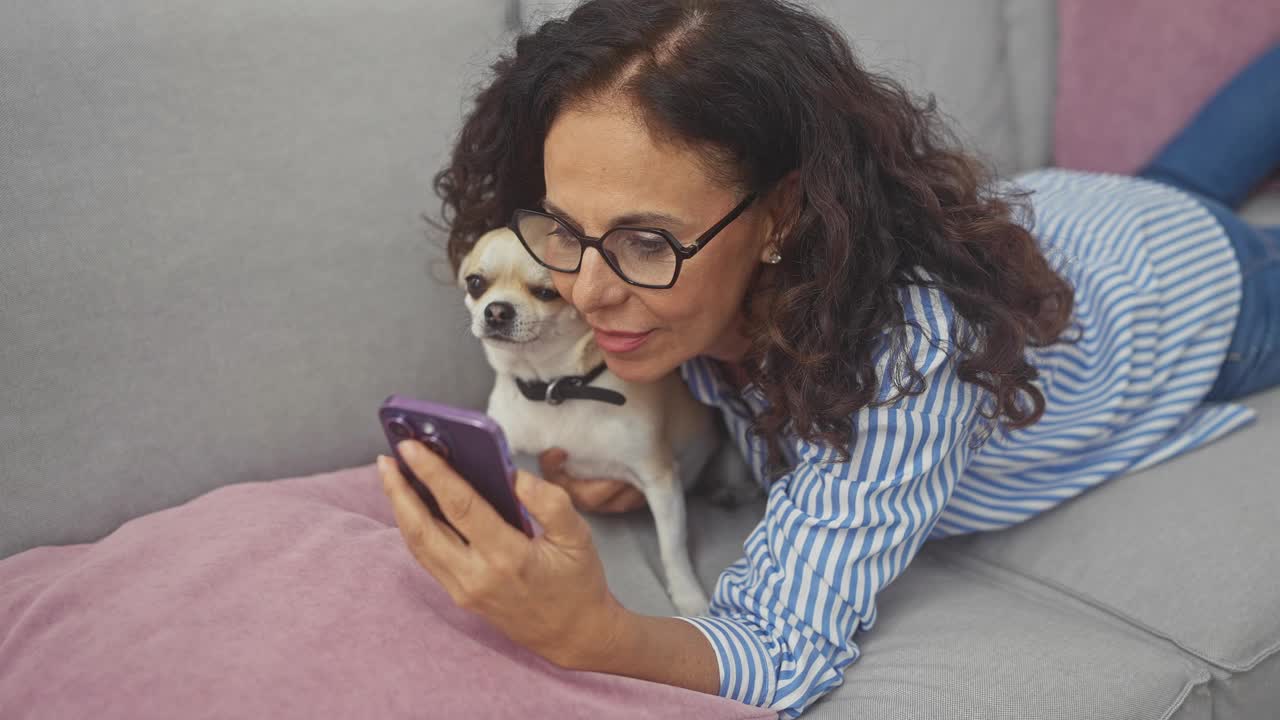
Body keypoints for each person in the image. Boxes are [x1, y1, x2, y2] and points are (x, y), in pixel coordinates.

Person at [375, 1, 1280, 716]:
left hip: (1199, 288)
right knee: (1193, 169)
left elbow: (779, 645)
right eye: (567, 232)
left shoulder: (911, 359)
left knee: (1203, 212)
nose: (587, 292)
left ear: (782, 216)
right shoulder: (669, 305)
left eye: (647, 241)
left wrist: (593, 632)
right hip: (1070, 214)